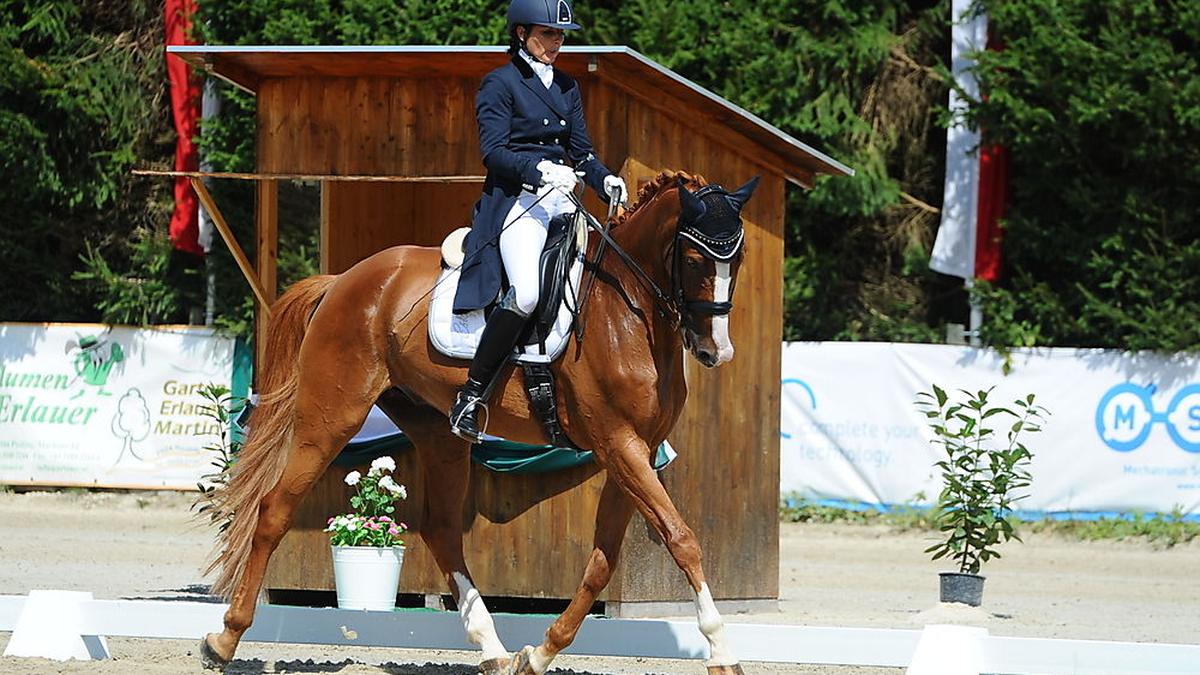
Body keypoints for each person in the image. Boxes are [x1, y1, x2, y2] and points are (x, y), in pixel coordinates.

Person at [448, 0, 627, 442]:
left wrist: (605, 181)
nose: (557, 43)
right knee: (526, 292)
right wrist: (540, 170)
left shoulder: (566, 85)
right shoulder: (500, 83)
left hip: (562, 199)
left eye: (561, 35)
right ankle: (470, 395)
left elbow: (582, 152)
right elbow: (493, 152)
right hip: (517, 201)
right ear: (522, 33)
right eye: (548, 34)